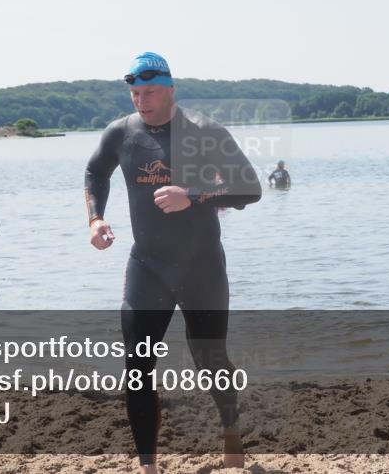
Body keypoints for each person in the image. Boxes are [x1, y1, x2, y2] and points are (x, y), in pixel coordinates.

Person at [84, 52, 261, 473]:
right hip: (148, 266)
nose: (141, 100)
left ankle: (231, 432)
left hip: (201, 268)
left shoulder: (204, 131)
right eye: (135, 92)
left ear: (170, 89)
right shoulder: (120, 133)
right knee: (137, 365)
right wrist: (95, 219)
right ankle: (148, 465)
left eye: (149, 91)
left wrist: (194, 195)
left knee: (210, 361)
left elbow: (250, 189)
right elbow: (95, 171)